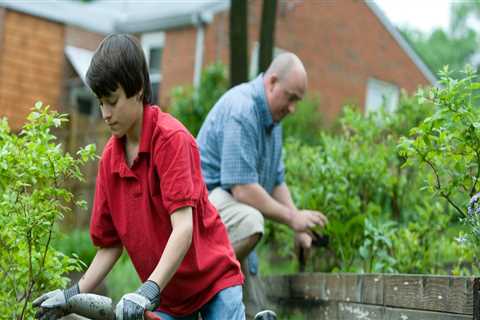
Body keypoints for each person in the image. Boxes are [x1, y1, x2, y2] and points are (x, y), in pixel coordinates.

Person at [32, 34, 245, 320]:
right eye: (100, 103)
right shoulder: (110, 159)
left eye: (112, 101)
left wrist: (147, 290)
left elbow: (183, 229)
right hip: (168, 297)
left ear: (139, 89)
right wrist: (71, 296)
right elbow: (110, 244)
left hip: (213, 284)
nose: (105, 114)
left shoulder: (172, 140)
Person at [196, 52, 328, 314]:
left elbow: (277, 180)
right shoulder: (243, 110)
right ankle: (193, 286)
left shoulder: (272, 121)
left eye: (297, 101)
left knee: (257, 307)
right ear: (272, 82)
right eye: (291, 97)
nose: (293, 108)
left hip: (229, 216)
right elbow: (242, 189)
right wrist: (292, 218)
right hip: (202, 213)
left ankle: (217, 292)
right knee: (251, 222)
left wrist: (299, 225)